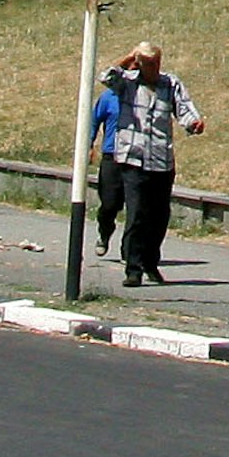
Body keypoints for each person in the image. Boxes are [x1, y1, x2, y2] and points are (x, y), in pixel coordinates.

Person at [84, 41, 204, 283]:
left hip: (161, 161)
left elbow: (184, 108)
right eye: (149, 64)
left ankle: (151, 262)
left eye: (157, 63)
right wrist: (128, 57)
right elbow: (105, 77)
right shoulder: (127, 83)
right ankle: (133, 269)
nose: (154, 68)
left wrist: (193, 123)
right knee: (137, 214)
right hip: (132, 160)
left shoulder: (170, 83)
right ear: (139, 64)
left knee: (159, 216)